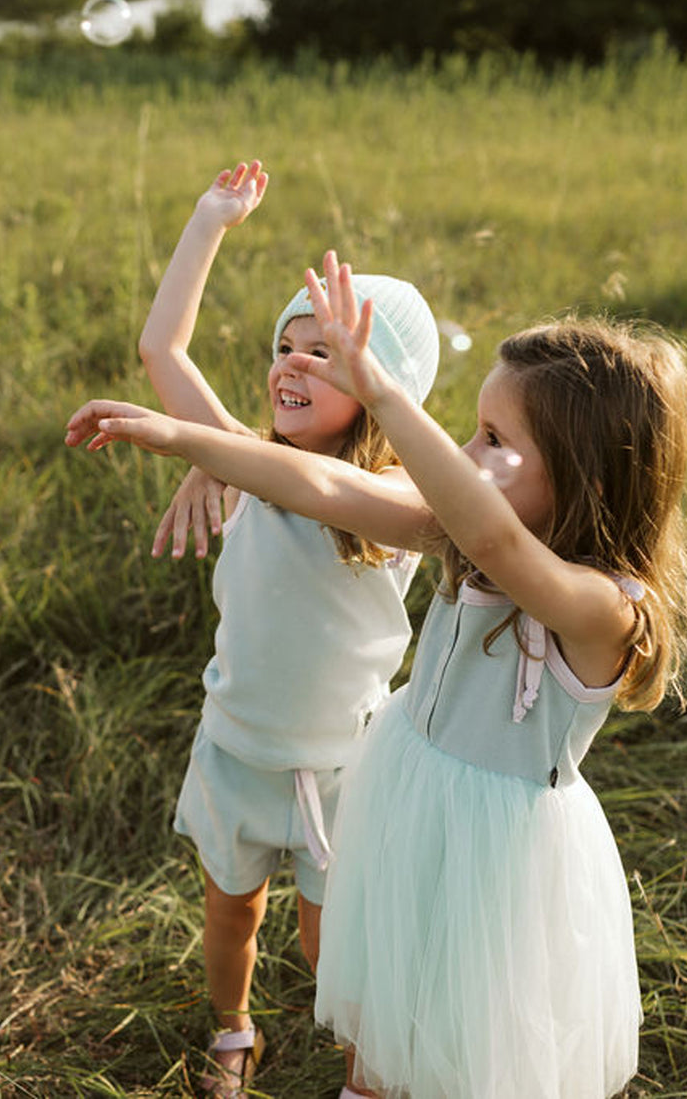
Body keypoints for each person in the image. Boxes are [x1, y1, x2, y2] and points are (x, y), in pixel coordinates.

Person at [65, 250, 687, 1098]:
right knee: (385, 981)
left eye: (491, 439)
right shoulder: (457, 536)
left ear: (584, 472)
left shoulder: (604, 608)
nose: (465, 453)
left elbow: (496, 543)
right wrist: (190, 440)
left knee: (467, 1017)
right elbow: (320, 485)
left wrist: (384, 396)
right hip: (405, 788)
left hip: (497, 847)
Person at [103, 162, 439, 1096]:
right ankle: (231, 1032)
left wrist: (202, 449)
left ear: (382, 391)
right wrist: (209, 221)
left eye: (321, 353)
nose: (289, 362)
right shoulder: (248, 462)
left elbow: (327, 491)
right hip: (239, 750)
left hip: (339, 768)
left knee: (330, 937)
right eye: (284, 346)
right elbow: (163, 349)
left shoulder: (403, 502)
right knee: (232, 915)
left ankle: (356, 1064)